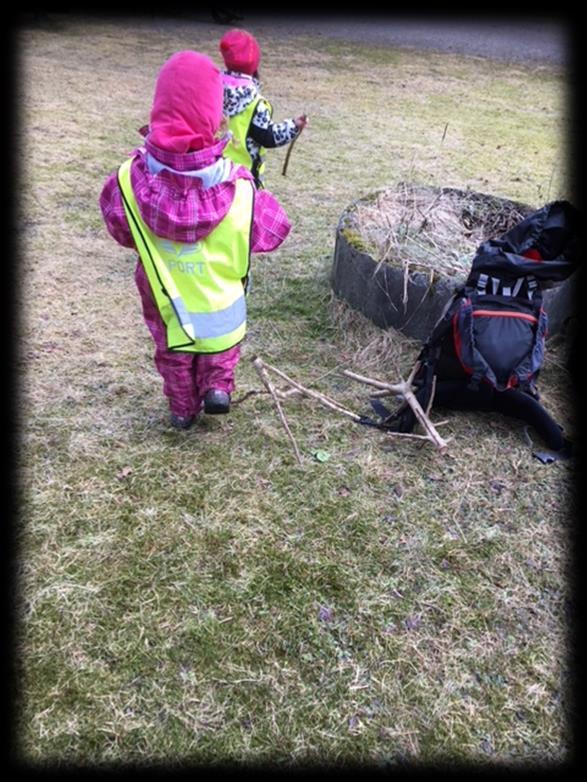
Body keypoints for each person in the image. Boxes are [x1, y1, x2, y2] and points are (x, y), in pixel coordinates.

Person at [99, 50, 291, 429]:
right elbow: (274, 230)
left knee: (173, 352)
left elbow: (120, 229)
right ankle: (217, 386)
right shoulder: (241, 188)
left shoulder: (126, 181)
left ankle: (182, 409)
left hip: (166, 300)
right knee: (219, 347)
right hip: (222, 306)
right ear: (216, 119)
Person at [219, 28, 308, 188]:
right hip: (244, 180)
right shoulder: (256, 104)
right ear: (254, 65)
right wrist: (293, 126)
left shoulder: (212, 90)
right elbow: (267, 137)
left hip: (215, 173)